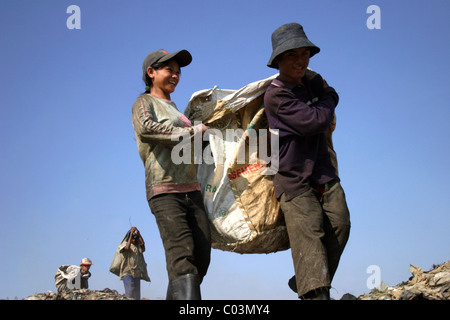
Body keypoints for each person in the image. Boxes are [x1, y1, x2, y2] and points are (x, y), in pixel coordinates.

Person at [264, 23, 351, 300]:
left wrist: (325, 95)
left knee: (340, 224)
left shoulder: (312, 85)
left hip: (323, 172)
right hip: (293, 176)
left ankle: (304, 279)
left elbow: (330, 98)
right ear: (278, 60)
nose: (301, 61)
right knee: (310, 231)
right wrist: (328, 98)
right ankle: (315, 293)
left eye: (305, 54)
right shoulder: (277, 94)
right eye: (293, 55)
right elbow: (314, 121)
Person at [131, 49, 211, 300]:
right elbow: (147, 129)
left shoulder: (179, 112)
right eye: (169, 70)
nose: (175, 75)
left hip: (192, 189)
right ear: (151, 72)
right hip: (165, 191)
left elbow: (192, 147)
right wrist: (193, 132)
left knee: (202, 254)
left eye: (178, 71)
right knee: (182, 255)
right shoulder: (144, 103)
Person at [116, 227, 150, 300]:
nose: (134, 240)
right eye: (132, 238)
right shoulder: (124, 244)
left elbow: (143, 243)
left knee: (137, 295)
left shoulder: (137, 247)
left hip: (136, 273)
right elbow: (127, 248)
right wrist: (131, 234)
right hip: (127, 272)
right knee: (130, 291)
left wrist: (139, 233)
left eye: (135, 238)